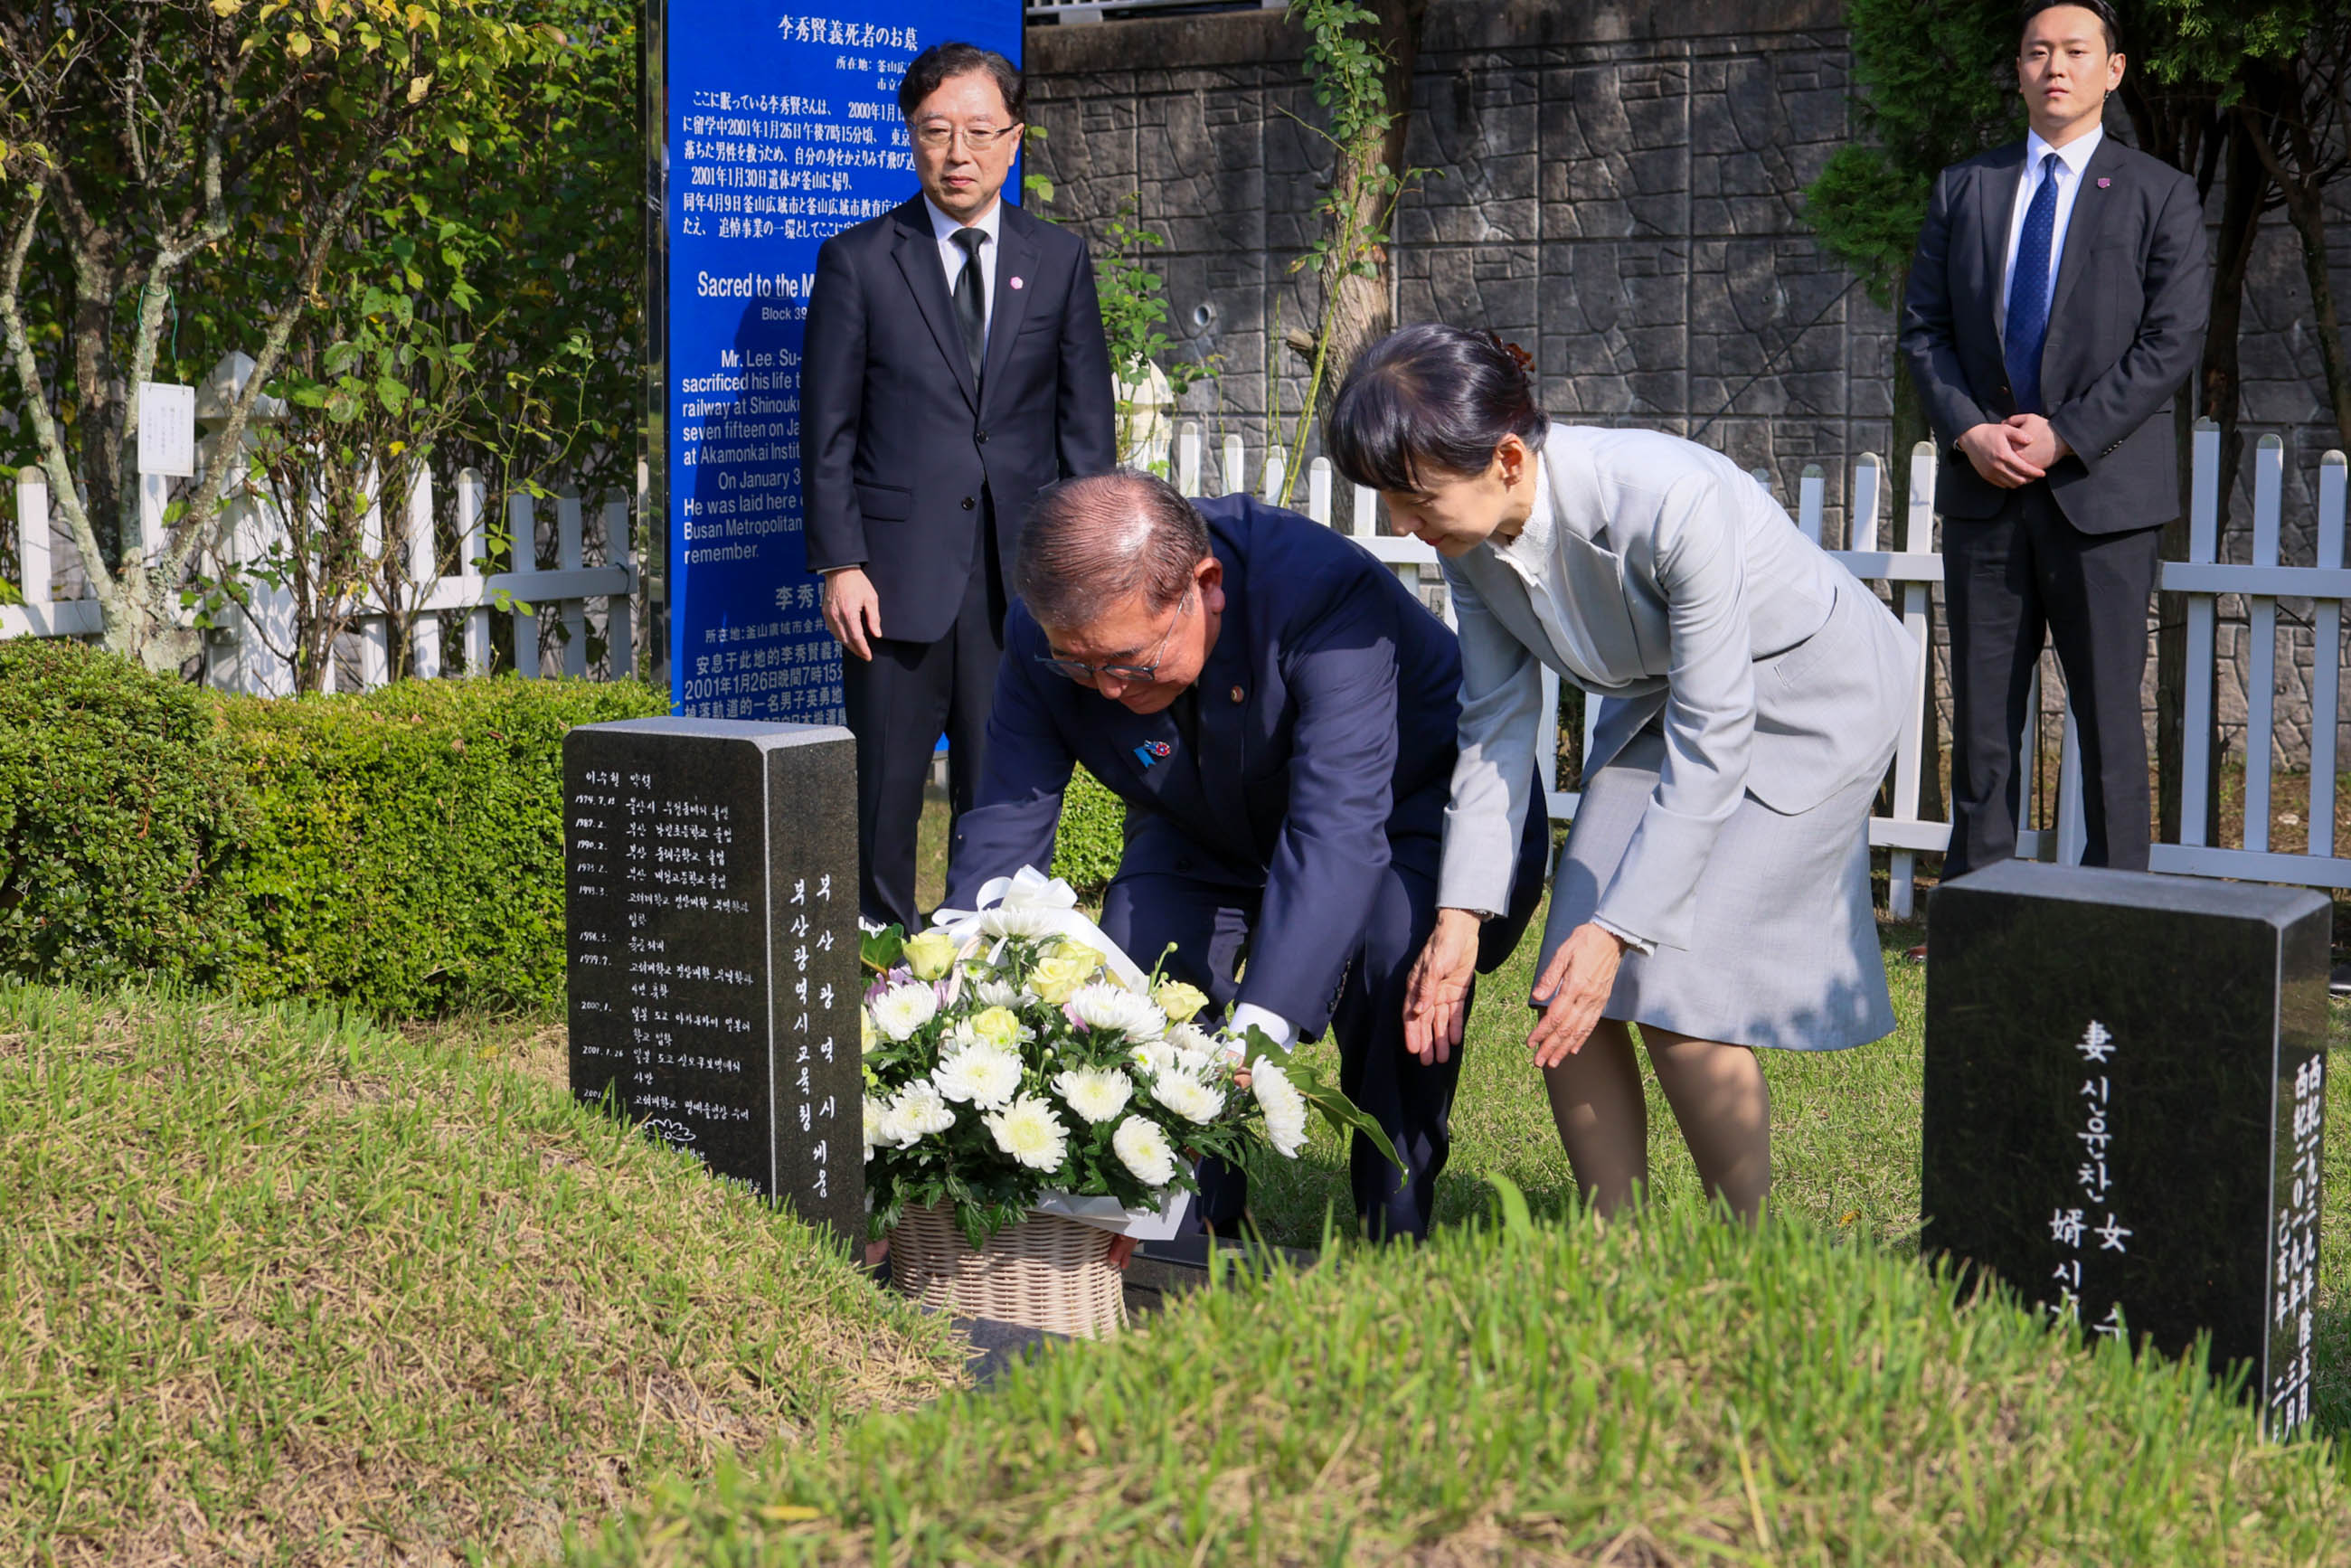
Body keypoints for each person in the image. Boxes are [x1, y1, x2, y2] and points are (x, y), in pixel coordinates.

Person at [1330, 325, 1914, 1223]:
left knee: (1676, 991)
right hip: (1663, 701)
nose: (1404, 527)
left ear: (1509, 457)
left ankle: (1752, 1255)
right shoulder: (1470, 544)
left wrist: (1620, 931)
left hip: (1807, 699)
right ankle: (1615, 1247)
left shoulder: (1666, 495)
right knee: (1563, 989)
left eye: (1415, 499)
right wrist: (1457, 919)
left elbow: (1716, 732)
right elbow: (1493, 729)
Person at [943, 471, 1548, 1240]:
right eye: (1078, 666)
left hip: (1414, 807)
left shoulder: (1322, 594)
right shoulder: (1050, 632)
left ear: (1205, 587)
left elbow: (1338, 827)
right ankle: (1180, 1229)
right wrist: (964, 965)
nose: (1100, 691)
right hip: (1205, 818)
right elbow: (1006, 814)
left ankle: (1395, 1226)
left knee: (1390, 951)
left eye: (1125, 664)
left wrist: (1261, 1028)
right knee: (1143, 947)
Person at [804, 41, 1117, 932]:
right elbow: (827, 431)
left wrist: (1084, 577)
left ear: (1013, 140)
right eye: (936, 131)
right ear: (909, 137)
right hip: (891, 579)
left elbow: (1083, 435)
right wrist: (841, 563)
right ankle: (874, 972)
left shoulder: (1056, 261)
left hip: (1019, 583)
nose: (957, 153)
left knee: (1008, 785)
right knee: (882, 791)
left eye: (979, 131)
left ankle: (995, 981)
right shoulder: (861, 260)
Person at [1900, 0, 2209, 881]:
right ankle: (1975, 908)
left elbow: (2171, 340)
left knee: (2110, 719)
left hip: (2101, 501)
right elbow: (1922, 330)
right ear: (2018, 67)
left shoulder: (2157, 192)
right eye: (2037, 51)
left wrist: (2064, 435)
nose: (2053, 67)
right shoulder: (1965, 187)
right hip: (1982, 496)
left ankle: (2116, 911)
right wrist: (1965, 431)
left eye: (2075, 51)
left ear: (2112, 70)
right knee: (1983, 728)